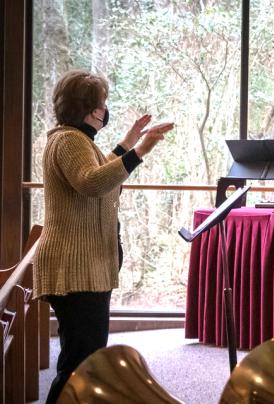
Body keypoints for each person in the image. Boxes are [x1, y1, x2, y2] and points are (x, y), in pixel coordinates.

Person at [33, 70, 173, 403]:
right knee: (80, 366)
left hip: (86, 269)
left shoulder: (77, 140)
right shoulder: (68, 140)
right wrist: (139, 151)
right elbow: (93, 182)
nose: (104, 109)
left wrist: (128, 142)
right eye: (102, 103)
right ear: (89, 108)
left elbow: (100, 173)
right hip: (74, 270)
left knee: (86, 361)